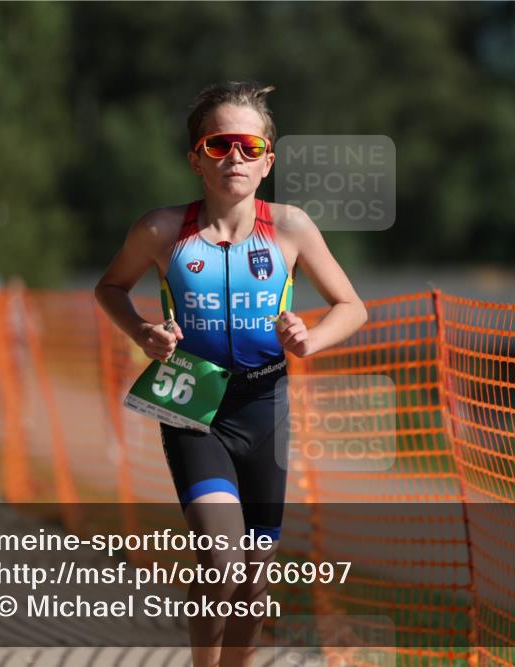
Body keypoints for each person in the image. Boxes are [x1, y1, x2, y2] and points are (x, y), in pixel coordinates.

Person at [94, 81, 367, 667]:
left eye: (249, 146)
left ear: (269, 161)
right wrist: (142, 332)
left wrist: (310, 338)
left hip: (265, 406)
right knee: (221, 566)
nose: (234, 157)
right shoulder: (161, 230)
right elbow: (110, 287)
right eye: (219, 145)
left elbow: (352, 306)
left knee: (254, 586)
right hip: (193, 403)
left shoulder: (290, 227)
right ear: (196, 158)